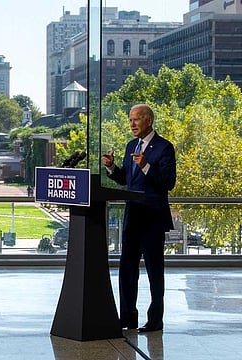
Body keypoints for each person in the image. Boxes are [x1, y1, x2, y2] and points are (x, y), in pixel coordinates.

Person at [102, 103, 176, 333]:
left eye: (136, 119)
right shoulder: (130, 146)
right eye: (130, 119)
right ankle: (127, 319)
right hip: (132, 217)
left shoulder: (164, 147)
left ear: (149, 121)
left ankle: (155, 320)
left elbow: (167, 182)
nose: (131, 124)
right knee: (127, 270)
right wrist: (112, 168)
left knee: (155, 271)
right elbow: (127, 180)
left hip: (152, 219)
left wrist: (146, 166)